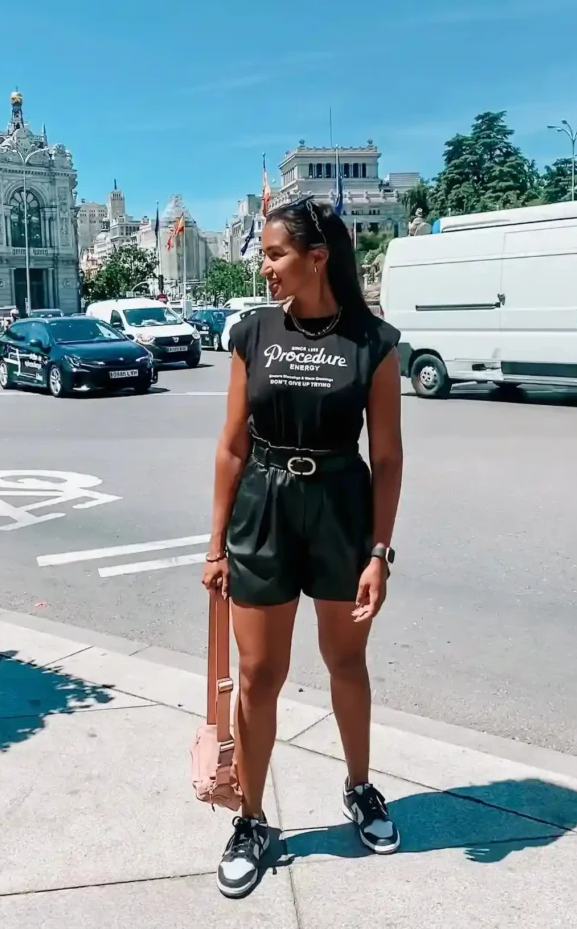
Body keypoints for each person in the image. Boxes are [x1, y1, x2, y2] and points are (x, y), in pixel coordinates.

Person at [202, 198, 403, 898]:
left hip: (342, 508)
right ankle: (252, 818)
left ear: (317, 258)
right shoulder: (251, 332)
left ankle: (360, 786)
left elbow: (388, 455)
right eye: (263, 254)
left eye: (276, 255)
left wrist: (380, 552)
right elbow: (230, 447)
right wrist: (215, 545)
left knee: (346, 659)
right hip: (264, 508)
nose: (265, 268)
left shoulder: (373, 341)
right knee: (259, 674)